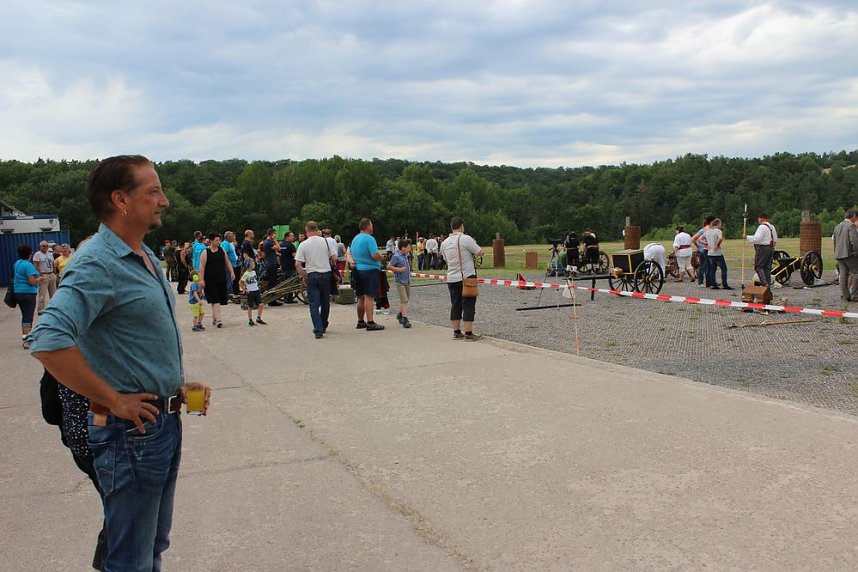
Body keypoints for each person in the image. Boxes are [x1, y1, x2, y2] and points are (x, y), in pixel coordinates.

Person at [29, 154, 211, 571]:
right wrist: (114, 400)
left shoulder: (141, 254)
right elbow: (48, 339)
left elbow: (127, 342)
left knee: (150, 546)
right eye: (154, 191)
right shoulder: (98, 262)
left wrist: (173, 385)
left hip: (159, 425)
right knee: (130, 558)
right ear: (120, 199)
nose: (164, 201)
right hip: (130, 436)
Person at [440, 217, 483, 341]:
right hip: (466, 276)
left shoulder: (444, 242)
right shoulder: (466, 239)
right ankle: (469, 333)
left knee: (455, 304)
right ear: (462, 226)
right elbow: (480, 252)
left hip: (452, 277)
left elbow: (445, 259)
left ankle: (457, 331)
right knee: (469, 304)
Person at [295, 221, 337, 339]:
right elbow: (334, 258)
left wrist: (304, 275)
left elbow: (298, 264)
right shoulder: (325, 241)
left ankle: (318, 329)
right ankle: (323, 325)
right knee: (325, 302)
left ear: (307, 231)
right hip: (326, 274)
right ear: (317, 229)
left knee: (313, 304)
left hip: (312, 274)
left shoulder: (303, 244)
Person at [350, 218, 385, 331]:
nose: (372, 227)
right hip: (369, 270)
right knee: (369, 297)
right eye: (371, 225)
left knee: (360, 297)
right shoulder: (370, 239)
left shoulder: (355, 238)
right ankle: (370, 322)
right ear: (367, 226)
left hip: (358, 270)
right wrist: (382, 258)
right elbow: (374, 255)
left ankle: (360, 321)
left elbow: (350, 253)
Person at [198, 232, 234, 328]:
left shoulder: (222, 250)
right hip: (210, 280)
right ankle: (218, 320)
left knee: (218, 299)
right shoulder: (206, 252)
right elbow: (201, 267)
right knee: (215, 299)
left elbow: (227, 262)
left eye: (219, 240)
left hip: (221, 278)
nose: (218, 242)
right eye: (216, 240)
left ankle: (215, 318)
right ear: (211, 241)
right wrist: (201, 280)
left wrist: (231, 272)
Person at [12, 243, 39, 349]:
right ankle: (26, 340)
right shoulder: (28, 265)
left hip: (18, 292)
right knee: (28, 318)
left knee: (25, 317)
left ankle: (25, 337)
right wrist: (40, 279)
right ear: (30, 254)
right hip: (28, 293)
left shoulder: (17, 263)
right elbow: (32, 281)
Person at [744, 213, 779, 288]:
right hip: (771, 247)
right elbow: (775, 239)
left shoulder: (762, 227)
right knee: (767, 267)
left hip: (763, 248)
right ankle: (768, 283)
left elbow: (757, 238)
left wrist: (747, 237)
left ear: (761, 219)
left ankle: (765, 283)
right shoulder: (772, 227)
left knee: (758, 266)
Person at [832, 209, 858, 302]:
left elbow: (834, 241)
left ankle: (845, 295)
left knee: (843, 275)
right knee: (856, 274)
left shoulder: (837, 226)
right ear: (853, 216)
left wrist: (836, 252)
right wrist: (856, 252)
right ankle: (855, 295)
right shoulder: (851, 226)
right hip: (849, 254)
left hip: (839, 254)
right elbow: (854, 241)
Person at [387, 238, 413, 328]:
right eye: (408, 247)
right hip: (400, 281)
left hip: (407, 281)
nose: (410, 249)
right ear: (403, 248)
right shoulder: (396, 256)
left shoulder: (406, 255)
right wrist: (398, 270)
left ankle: (400, 314)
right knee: (404, 300)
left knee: (406, 300)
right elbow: (389, 266)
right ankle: (405, 319)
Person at [703, 218, 732, 290]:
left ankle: (713, 284)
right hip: (718, 253)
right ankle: (724, 284)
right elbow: (721, 238)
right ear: (718, 224)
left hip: (710, 253)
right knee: (724, 269)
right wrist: (717, 244)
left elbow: (699, 239)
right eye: (720, 224)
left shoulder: (708, 231)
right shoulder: (718, 231)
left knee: (712, 269)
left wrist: (706, 243)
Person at [239, 256, 266, 326]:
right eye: (252, 263)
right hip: (250, 292)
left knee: (261, 304)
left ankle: (258, 318)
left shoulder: (254, 272)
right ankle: (250, 320)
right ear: (248, 265)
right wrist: (245, 290)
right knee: (250, 306)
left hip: (256, 290)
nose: (254, 264)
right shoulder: (246, 274)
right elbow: (240, 282)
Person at [33, 240, 57, 314]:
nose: (45, 247)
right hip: (44, 274)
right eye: (43, 246)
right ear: (40, 246)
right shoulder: (37, 254)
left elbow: (53, 264)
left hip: (51, 274)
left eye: (46, 246)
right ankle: (40, 309)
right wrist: (40, 274)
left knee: (53, 293)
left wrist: (54, 273)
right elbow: (35, 264)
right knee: (42, 294)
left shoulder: (50, 254)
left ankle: (53, 307)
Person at [692, 216, 715, 287]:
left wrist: (698, 246)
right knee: (703, 266)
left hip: (706, 250)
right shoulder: (705, 230)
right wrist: (699, 246)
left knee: (707, 266)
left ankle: (707, 282)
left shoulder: (703, 229)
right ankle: (701, 282)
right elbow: (693, 239)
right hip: (704, 250)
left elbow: (693, 239)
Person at [262, 228, 282, 306]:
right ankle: (271, 300)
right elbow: (279, 248)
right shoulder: (268, 242)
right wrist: (275, 240)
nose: (275, 235)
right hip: (271, 264)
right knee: (272, 282)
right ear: (271, 234)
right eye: (274, 234)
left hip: (270, 263)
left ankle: (272, 299)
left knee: (272, 281)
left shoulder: (267, 242)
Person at [279, 230, 299, 303]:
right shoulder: (291, 245)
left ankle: (285, 297)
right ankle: (289, 299)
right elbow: (295, 256)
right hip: (290, 266)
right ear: (287, 237)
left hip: (284, 265)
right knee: (291, 283)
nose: (293, 237)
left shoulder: (281, 244)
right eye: (292, 236)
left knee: (285, 283)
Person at [222, 231, 238, 297]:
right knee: (228, 280)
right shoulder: (226, 244)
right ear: (228, 237)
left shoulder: (226, 243)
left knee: (229, 280)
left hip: (229, 265)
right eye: (232, 236)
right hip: (228, 265)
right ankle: (226, 296)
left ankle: (229, 295)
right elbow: (224, 253)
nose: (233, 238)